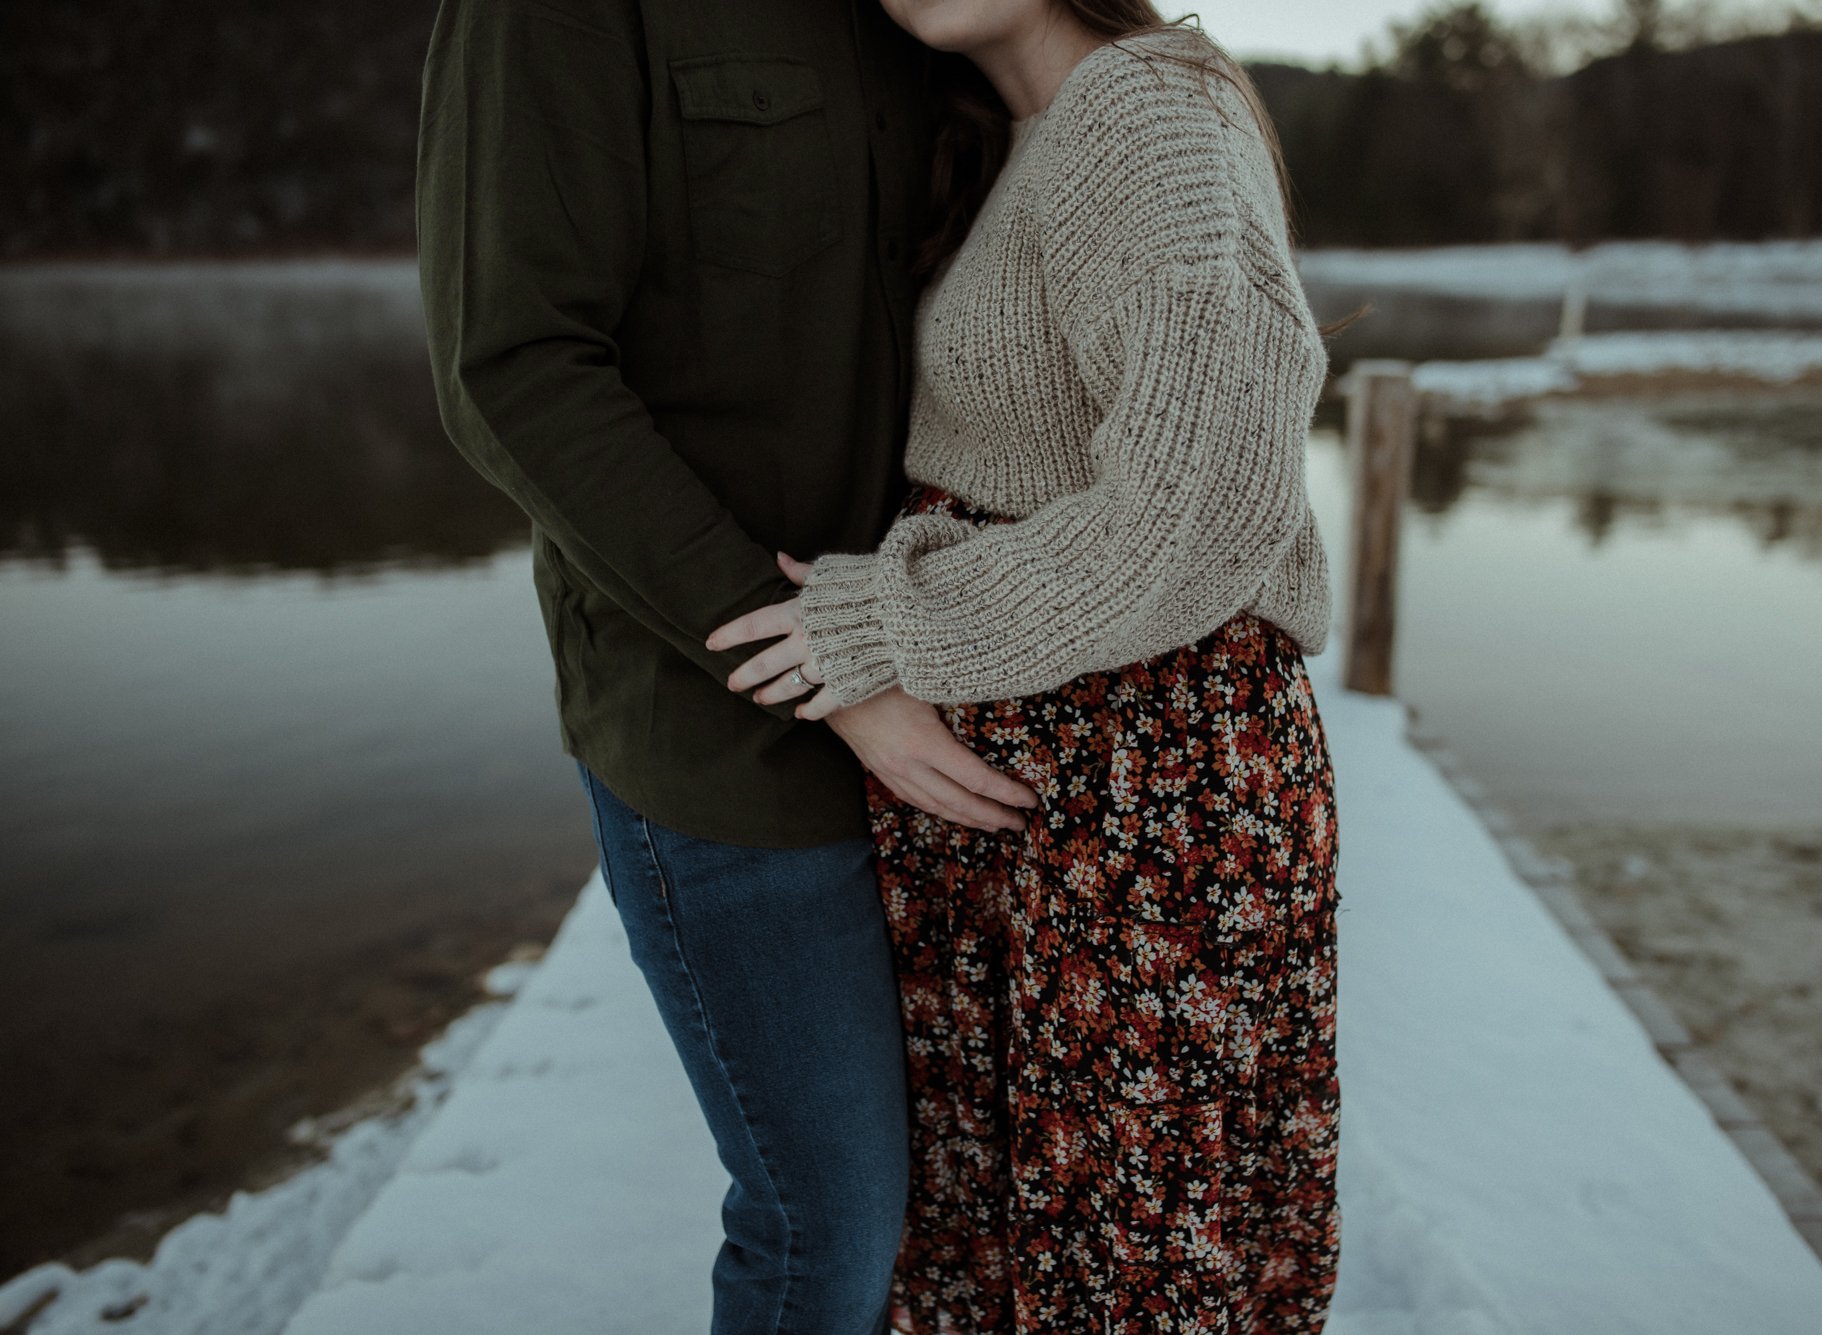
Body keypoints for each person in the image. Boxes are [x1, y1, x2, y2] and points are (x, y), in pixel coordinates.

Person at [709, 2, 1346, 1331]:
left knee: (1134, 1263)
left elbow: (1201, 507)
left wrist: (883, 628)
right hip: (1052, 786)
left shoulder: (1148, 108)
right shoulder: (1020, 129)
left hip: (1148, 790)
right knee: (1022, 1254)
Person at [413, 2, 1043, 1331]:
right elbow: (513, 366)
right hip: (729, 729)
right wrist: (837, 671)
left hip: (965, 700)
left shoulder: (920, 6)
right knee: (829, 1223)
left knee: (961, 1212)